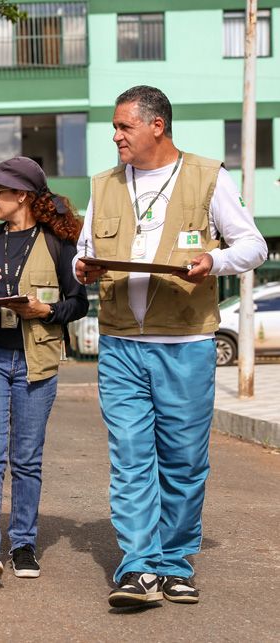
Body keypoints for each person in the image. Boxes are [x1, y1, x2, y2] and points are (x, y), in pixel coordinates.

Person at [74, 86, 267, 607]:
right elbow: (86, 248)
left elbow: (253, 245)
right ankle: (138, 568)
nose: (115, 136)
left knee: (182, 460)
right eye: (114, 128)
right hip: (119, 344)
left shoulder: (209, 177)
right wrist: (83, 265)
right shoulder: (104, 184)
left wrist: (214, 261)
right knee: (131, 458)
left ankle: (174, 562)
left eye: (123, 127)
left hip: (185, 343)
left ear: (156, 126)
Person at [0, 157, 89, 581]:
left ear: (23, 196)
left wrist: (44, 309)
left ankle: (25, 544)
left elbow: (78, 303)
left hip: (36, 360)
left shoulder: (57, 241)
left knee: (27, 459)